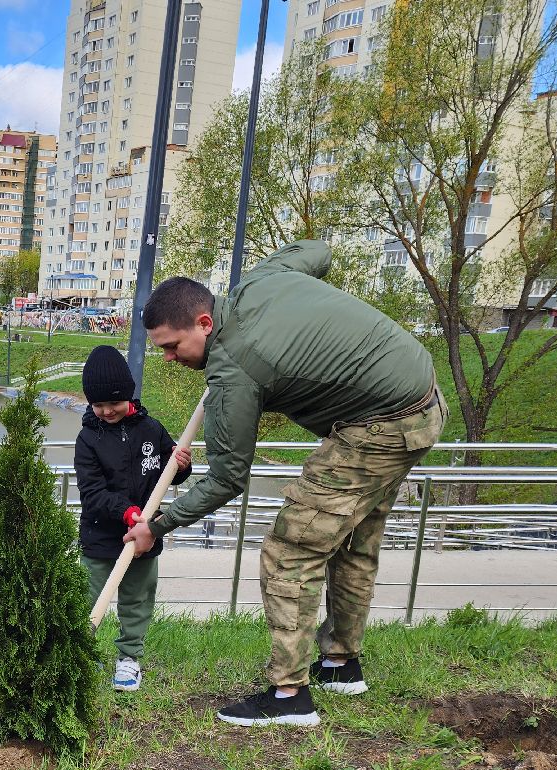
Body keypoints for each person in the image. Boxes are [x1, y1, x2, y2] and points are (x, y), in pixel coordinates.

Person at [123, 241, 446, 727]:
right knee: (351, 540)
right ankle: (341, 665)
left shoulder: (232, 369)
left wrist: (160, 525)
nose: (168, 358)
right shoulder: (260, 280)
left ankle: (289, 695)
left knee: (291, 548)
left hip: (383, 424)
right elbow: (318, 252)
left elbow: (229, 477)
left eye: (172, 346)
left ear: (205, 324)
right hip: (422, 398)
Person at [74, 345, 192, 692]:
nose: (107, 411)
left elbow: (170, 473)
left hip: (145, 536)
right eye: (99, 405)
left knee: (137, 600)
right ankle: (82, 652)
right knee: (87, 600)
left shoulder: (152, 429)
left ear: (130, 395)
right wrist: (126, 513)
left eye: (114, 403)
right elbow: (92, 494)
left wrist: (182, 466)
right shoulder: (88, 439)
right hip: (101, 538)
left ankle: (129, 659)